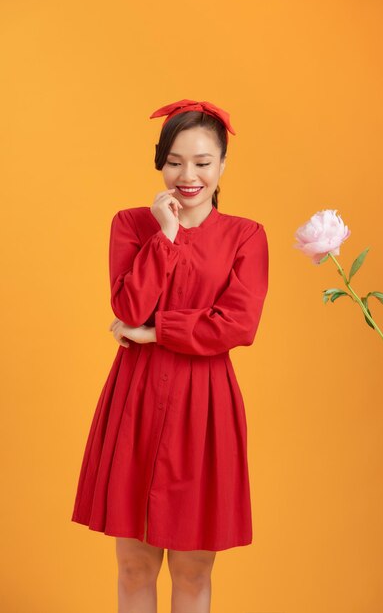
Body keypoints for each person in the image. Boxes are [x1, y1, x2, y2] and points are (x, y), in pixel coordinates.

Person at [71, 99, 269, 613]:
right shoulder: (131, 224)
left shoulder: (246, 236)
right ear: (159, 161)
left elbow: (238, 326)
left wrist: (155, 333)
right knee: (134, 565)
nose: (188, 176)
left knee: (193, 568)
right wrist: (167, 236)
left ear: (222, 165)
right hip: (134, 399)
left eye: (203, 162)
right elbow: (127, 306)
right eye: (176, 161)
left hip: (204, 407)